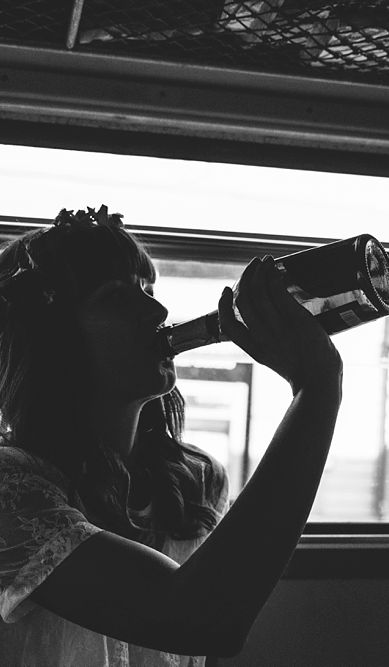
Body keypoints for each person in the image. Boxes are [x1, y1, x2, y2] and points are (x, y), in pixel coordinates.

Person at [0, 206, 343, 665]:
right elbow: (202, 618)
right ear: (53, 337)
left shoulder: (195, 483)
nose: (158, 310)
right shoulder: (11, 491)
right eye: (119, 297)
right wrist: (318, 388)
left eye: (148, 289)